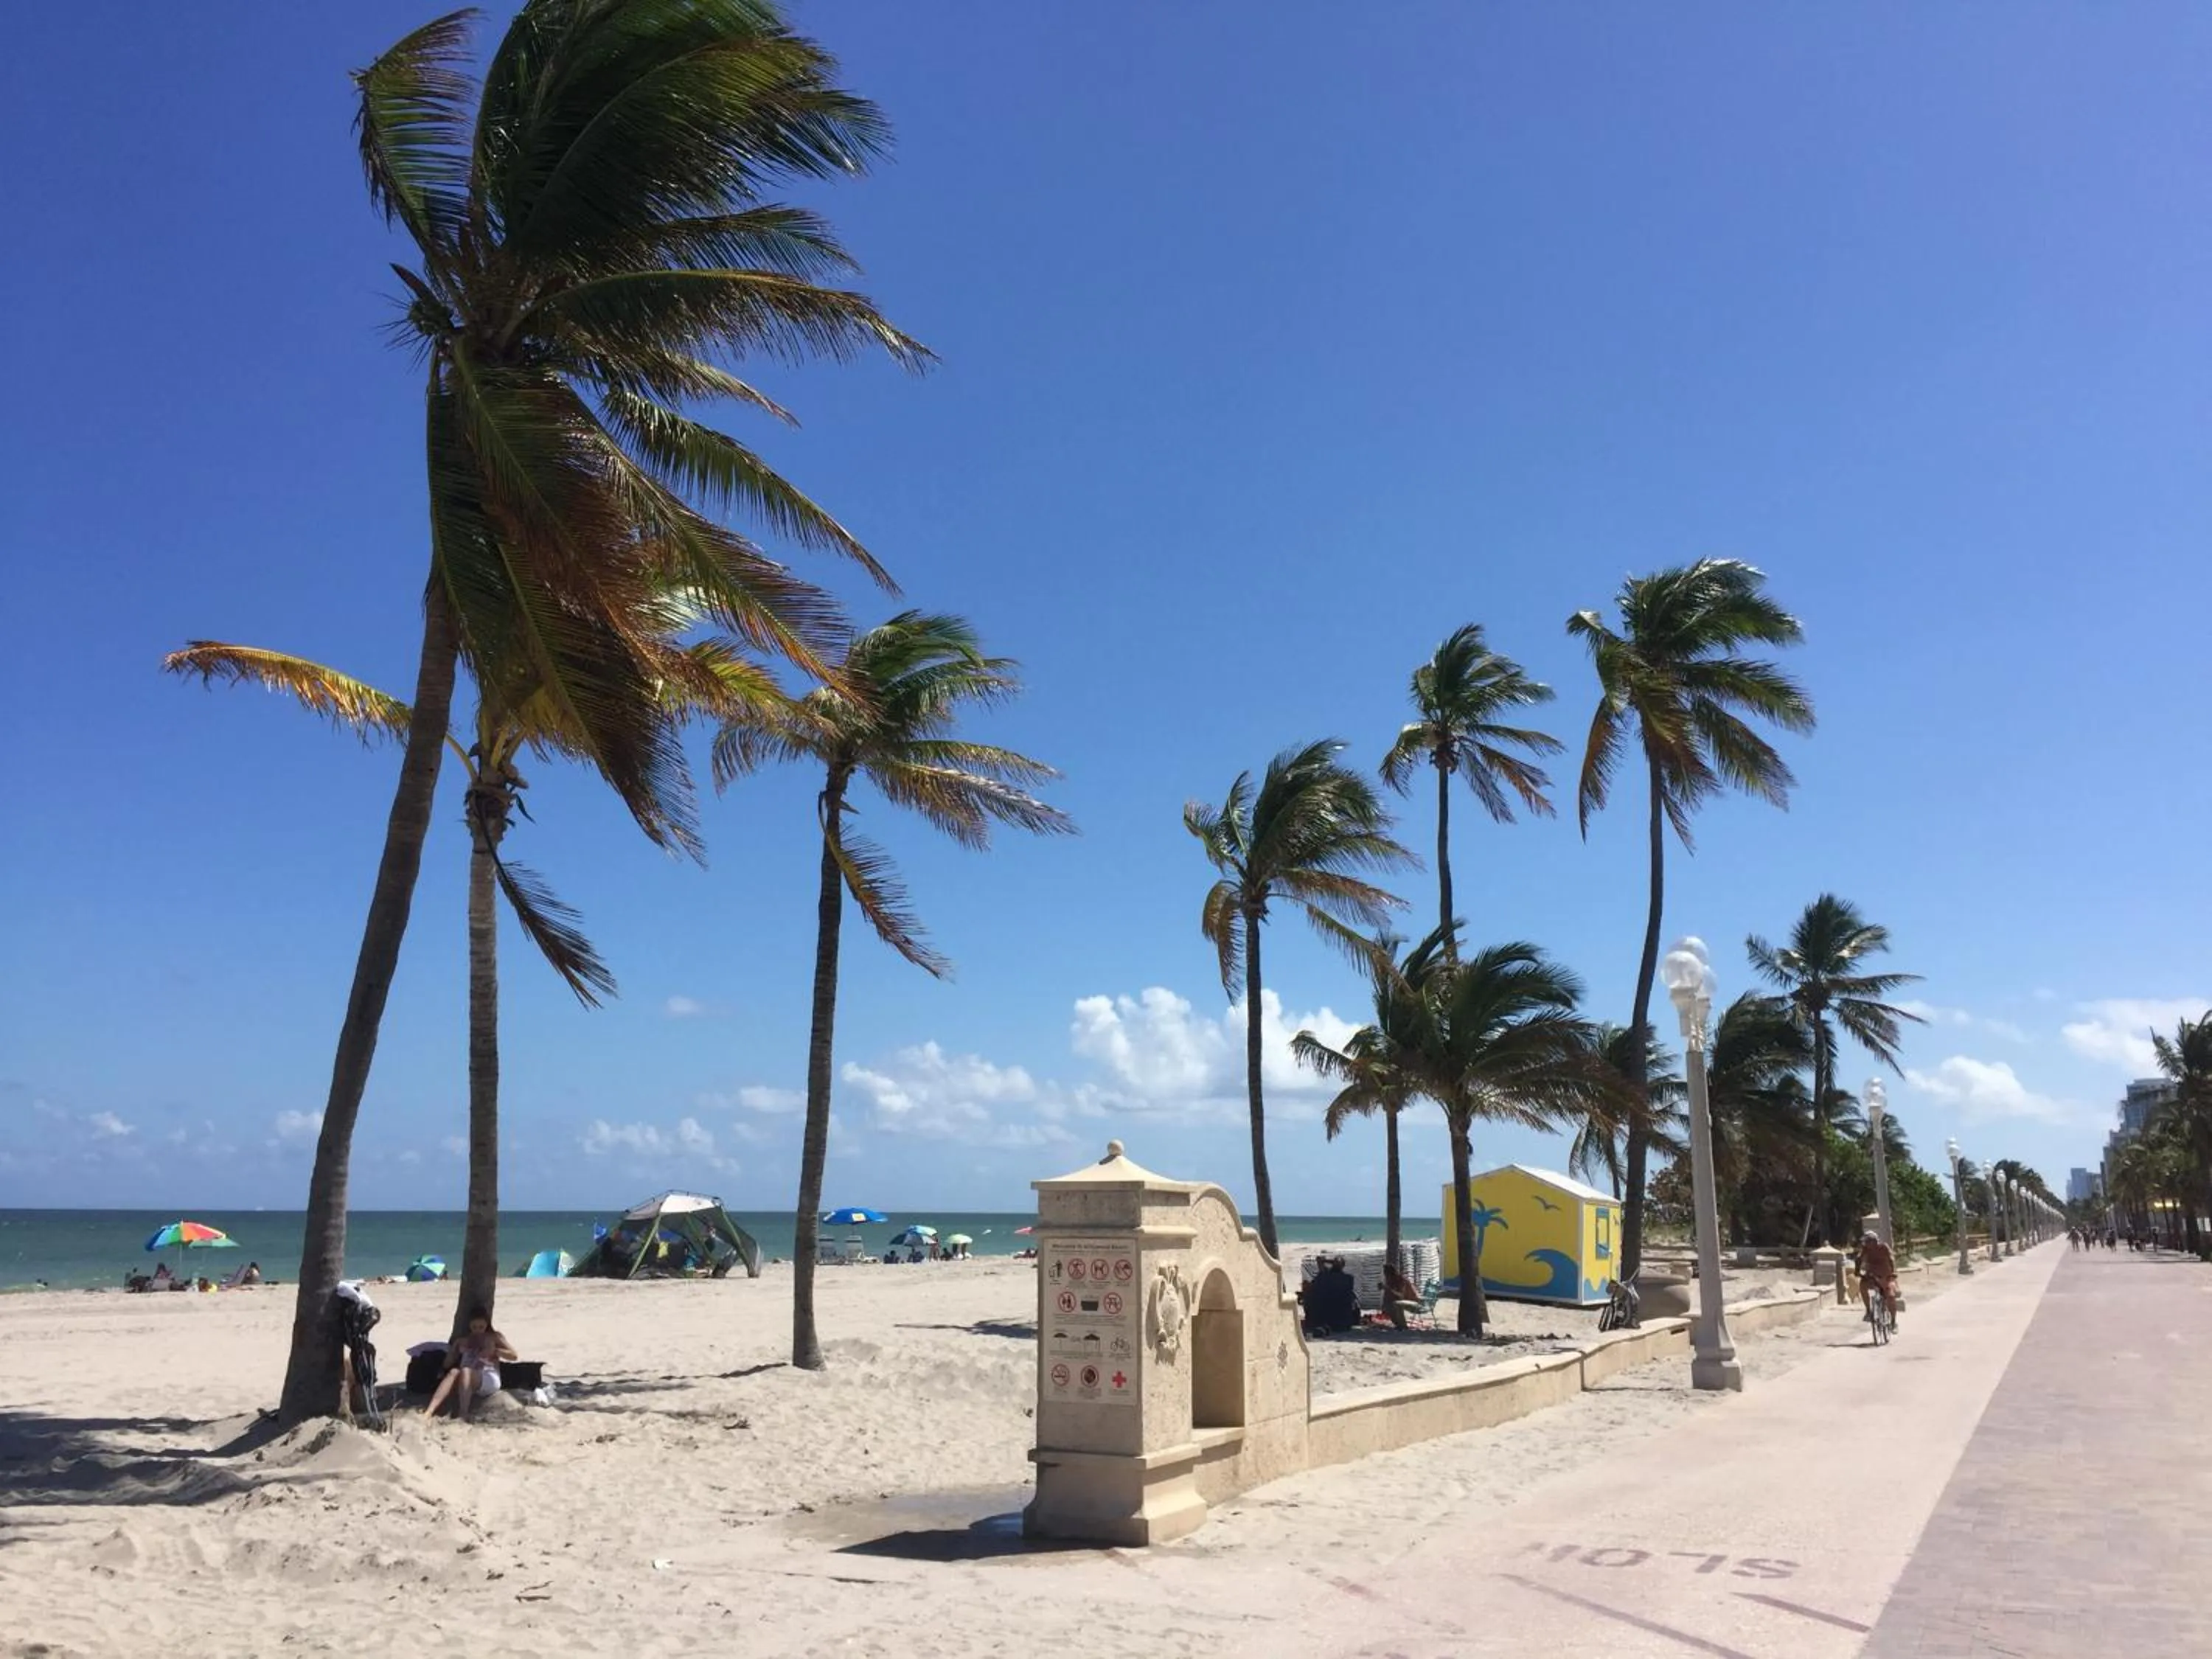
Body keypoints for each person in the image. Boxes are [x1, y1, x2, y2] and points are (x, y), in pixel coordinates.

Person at [422, 1307, 518, 1422]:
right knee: (454, 1372)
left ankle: (463, 1413)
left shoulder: (494, 1337)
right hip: (466, 1377)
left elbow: (514, 1356)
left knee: (466, 1371)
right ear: (469, 1326)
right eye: (474, 1327)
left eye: (481, 1327)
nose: (478, 1331)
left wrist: (496, 1351)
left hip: (488, 1377)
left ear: (486, 1325)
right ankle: (430, 1411)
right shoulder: (463, 1340)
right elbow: (447, 1364)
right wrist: (455, 1349)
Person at [1301, 1256, 1361, 1337]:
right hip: (1343, 1323)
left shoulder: (1324, 1277)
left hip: (1321, 1320)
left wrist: (1328, 1261)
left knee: (1309, 1292)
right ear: (1343, 1267)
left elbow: (1319, 1261)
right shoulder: (1348, 1279)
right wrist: (1335, 1262)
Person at [1853, 1230, 1900, 1329]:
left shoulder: (1884, 1247)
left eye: (1868, 1241)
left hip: (1886, 1275)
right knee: (1862, 1285)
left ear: (1874, 1241)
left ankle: (1893, 1321)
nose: (1866, 1244)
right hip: (1872, 1276)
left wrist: (1893, 1273)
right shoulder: (1865, 1249)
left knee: (1891, 1297)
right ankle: (1868, 1311)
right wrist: (1857, 1271)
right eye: (1865, 1242)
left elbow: (1891, 1259)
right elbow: (1859, 1259)